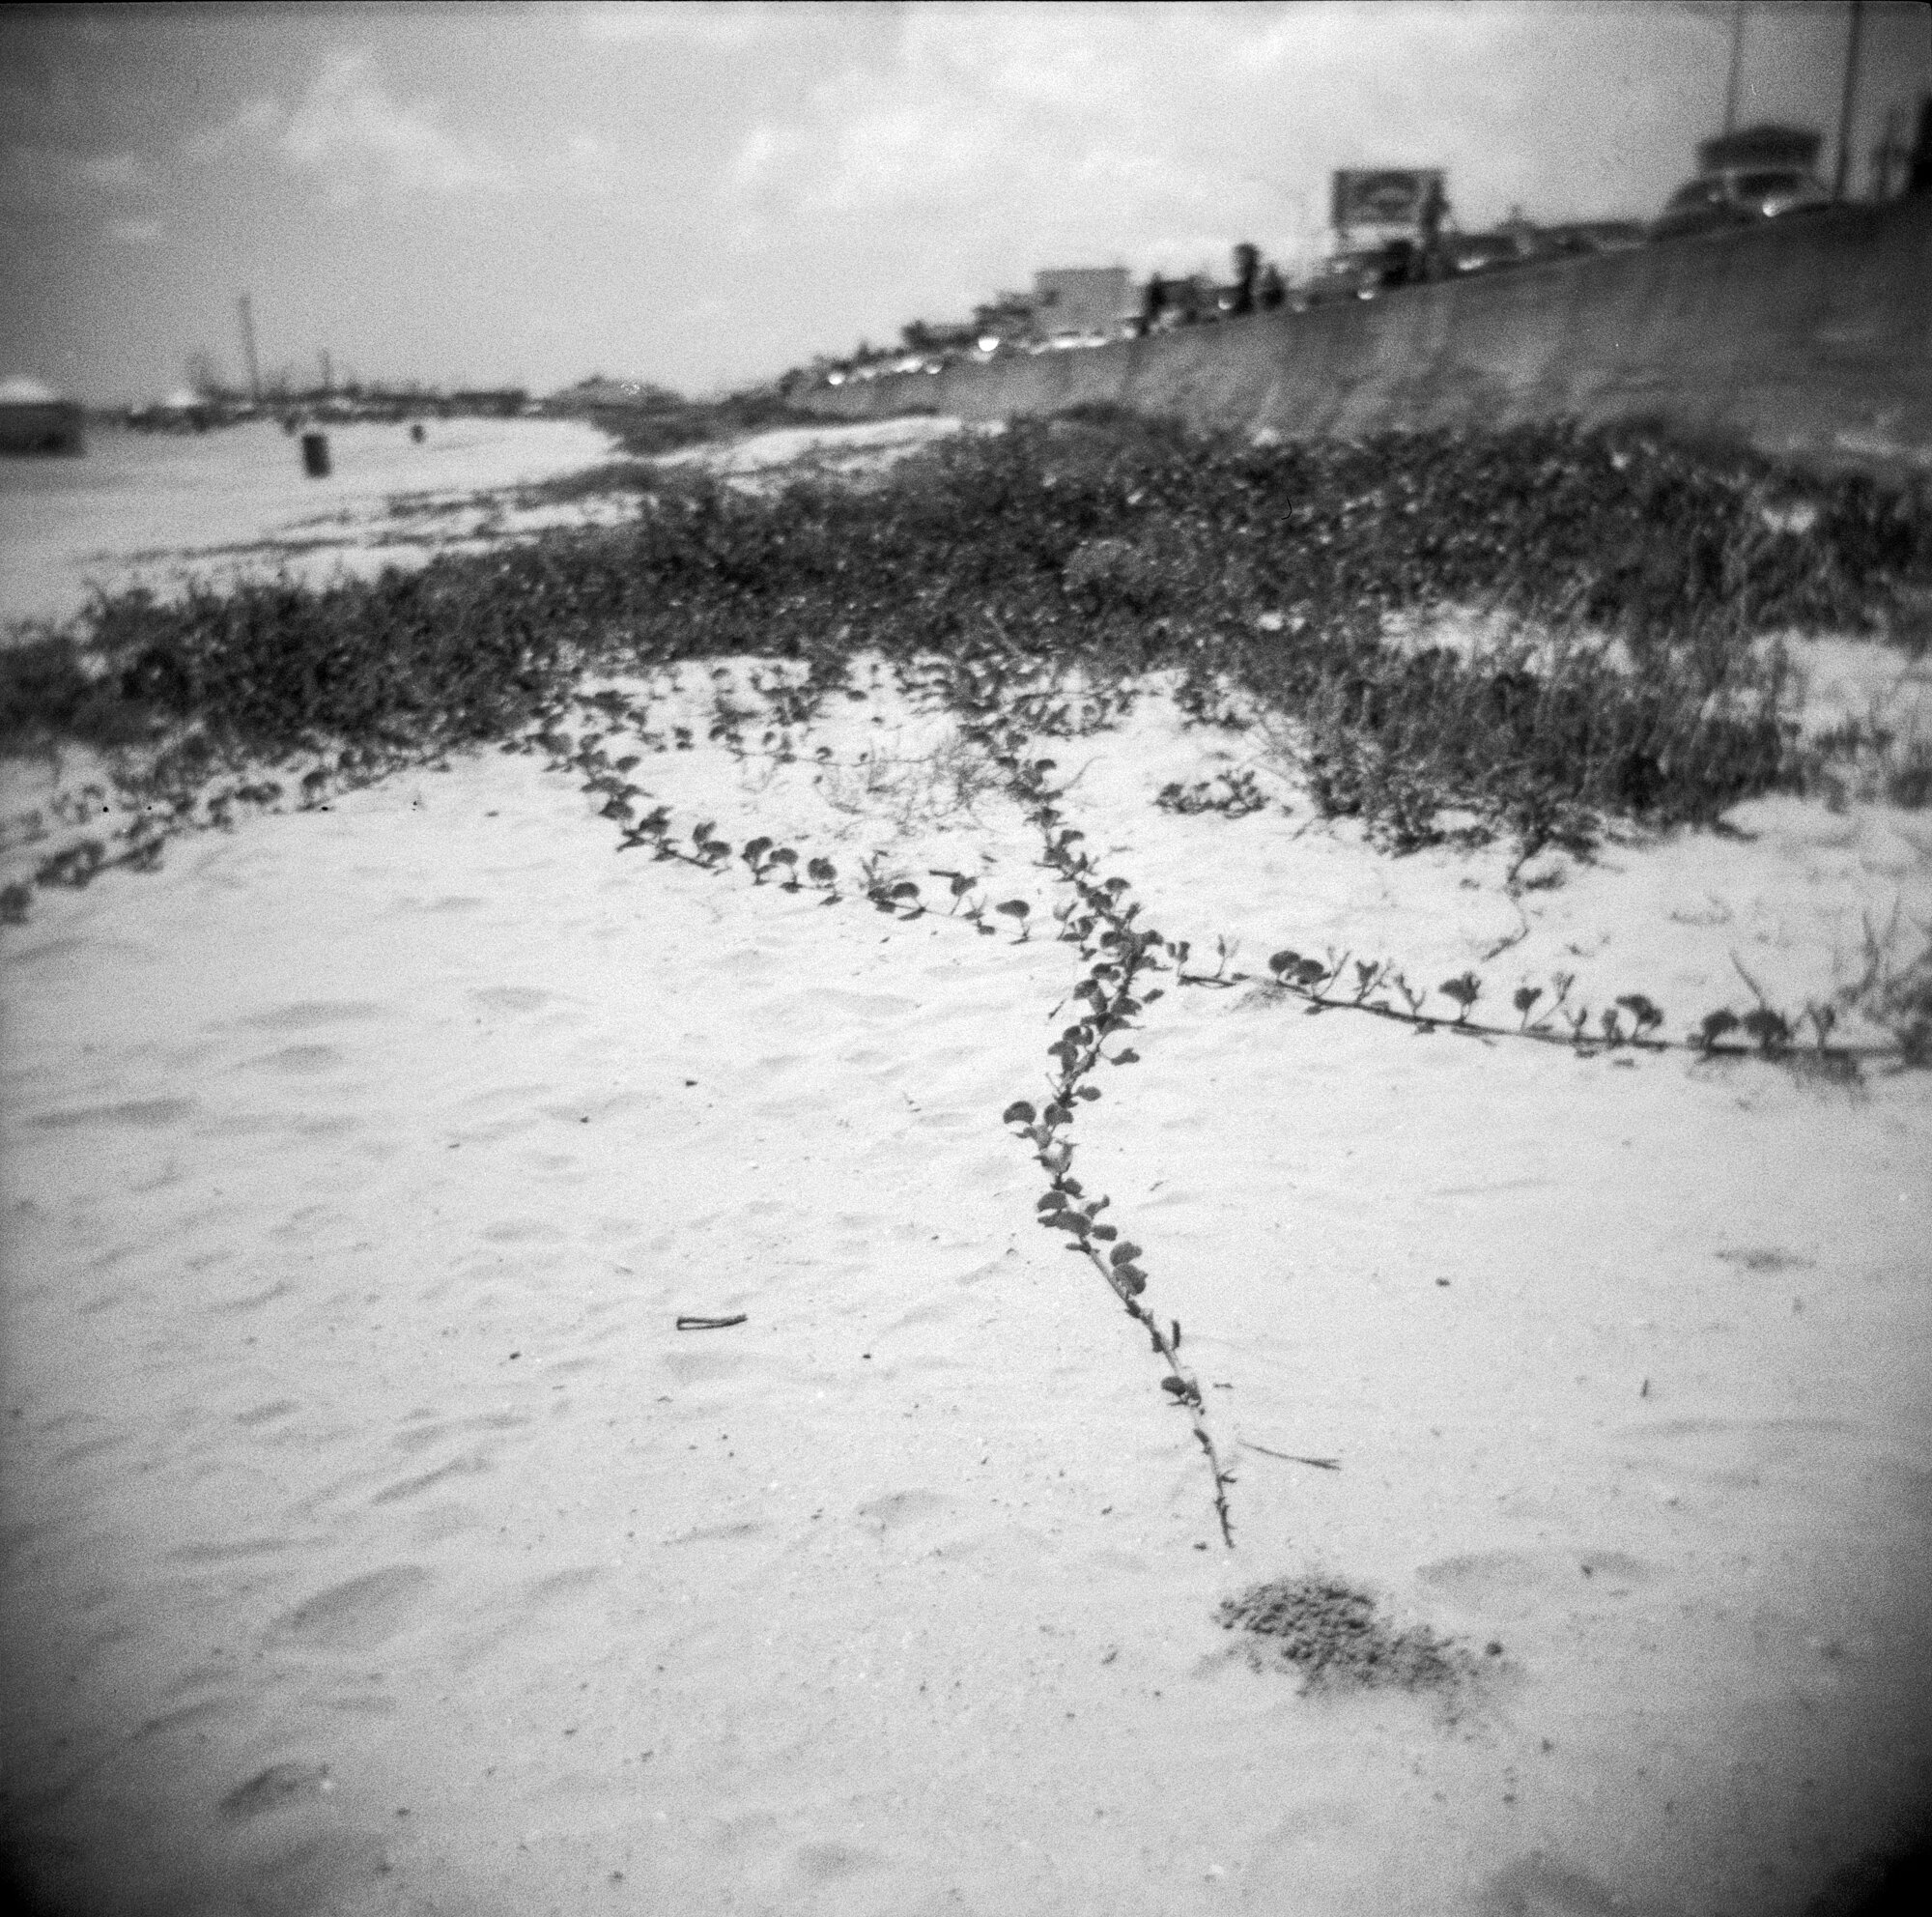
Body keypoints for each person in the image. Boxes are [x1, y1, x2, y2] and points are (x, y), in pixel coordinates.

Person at [1230, 242, 1260, 317]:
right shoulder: (1250, 270)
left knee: (1245, 295)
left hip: (1247, 290)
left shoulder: (1249, 271)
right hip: (1246, 290)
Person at [1140, 272, 1168, 337]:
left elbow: (1161, 298)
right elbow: (1159, 298)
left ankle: (1156, 332)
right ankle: (1155, 332)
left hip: (1155, 308)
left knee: (1156, 321)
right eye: (1157, 278)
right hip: (1155, 308)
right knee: (1155, 321)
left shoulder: (1154, 287)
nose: (1158, 280)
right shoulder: (1156, 288)